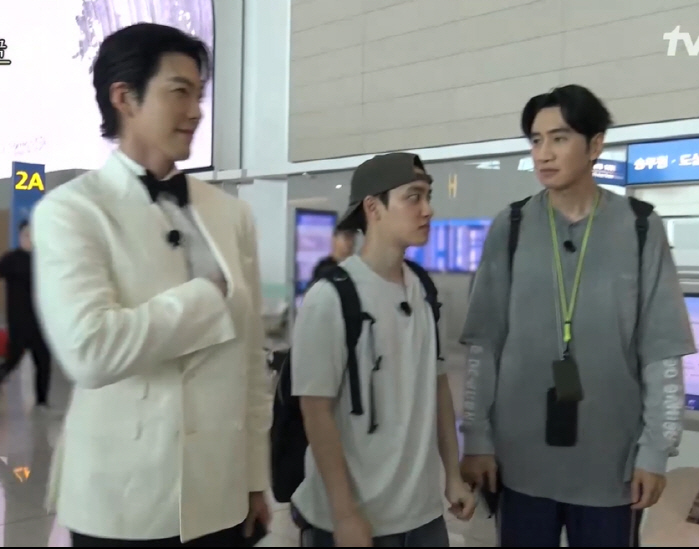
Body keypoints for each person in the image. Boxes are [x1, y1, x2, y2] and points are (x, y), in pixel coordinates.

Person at [31, 22, 271, 547]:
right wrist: (205, 299)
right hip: (124, 501)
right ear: (125, 98)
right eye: (179, 92)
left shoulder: (230, 214)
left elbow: (251, 360)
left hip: (220, 494)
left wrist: (254, 478)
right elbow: (91, 351)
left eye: (199, 95)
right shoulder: (72, 212)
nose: (196, 111)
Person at [459, 84, 696, 547]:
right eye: (536, 140)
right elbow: (485, 345)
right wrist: (478, 439)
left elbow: (661, 351)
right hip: (522, 463)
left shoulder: (639, 227)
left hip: (611, 466)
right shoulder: (511, 227)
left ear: (595, 144)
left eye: (560, 138)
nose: (543, 153)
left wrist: (655, 451)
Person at [291, 152, 476, 547]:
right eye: (413, 197)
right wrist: (344, 513)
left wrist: (453, 476)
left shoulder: (425, 291)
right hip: (355, 520)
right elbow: (316, 411)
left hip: (423, 515)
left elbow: (438, 386)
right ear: (373, 208)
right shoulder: (331, 297)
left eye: (428, 196)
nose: (427, 209)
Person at [0, 220, 52, 406]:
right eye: (26, 235)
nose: (30, 238)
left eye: (33, 235)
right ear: (20, 236)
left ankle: (42, 402)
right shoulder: (10, 259)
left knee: (44, 361)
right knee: (13, 359)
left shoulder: (43, 260)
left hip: (40, 321)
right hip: (18, 320)